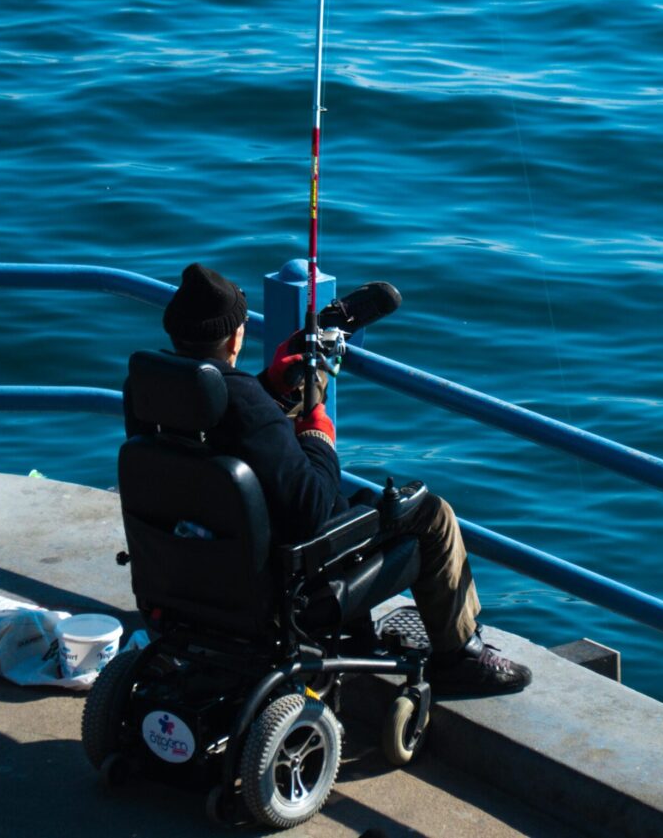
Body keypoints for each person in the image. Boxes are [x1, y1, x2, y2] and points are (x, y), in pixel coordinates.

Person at [129, 263, 531, 695]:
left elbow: (224, 430)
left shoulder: (149, 392)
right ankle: (459, 657)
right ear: (235, 337)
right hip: (281, 590)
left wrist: (272, 388)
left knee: (348, 492)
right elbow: (313, 508)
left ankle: (366, 637)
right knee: (430, 514)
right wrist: (319, 436)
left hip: (187, 575)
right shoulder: (247, 407)